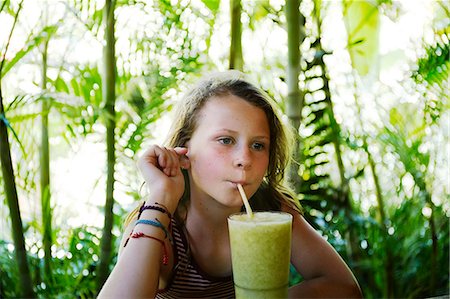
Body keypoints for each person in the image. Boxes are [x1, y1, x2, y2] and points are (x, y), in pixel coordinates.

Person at [98, 70, 362, 298]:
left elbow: (343, 287)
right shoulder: (160, 223)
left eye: (258, 145)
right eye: (225, 140)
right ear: (185, 149)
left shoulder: (269, 212)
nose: (244, 160)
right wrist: (161, 197)